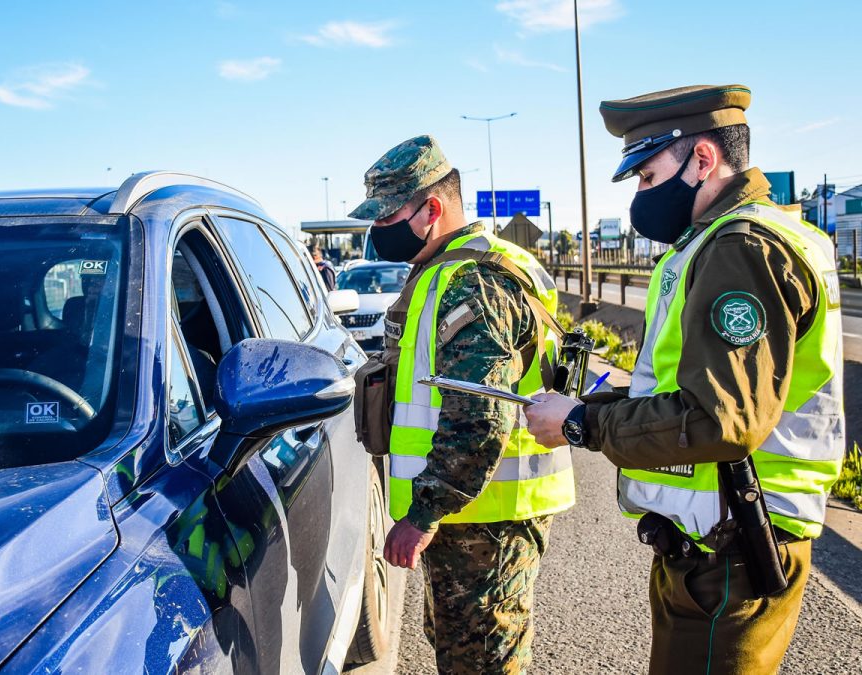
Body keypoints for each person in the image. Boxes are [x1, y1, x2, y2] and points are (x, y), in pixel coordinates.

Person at [524, 85, 844, 674]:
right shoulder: (727, 240)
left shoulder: (740, 248)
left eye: (647, 177)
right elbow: (691, 391)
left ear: (702, 160)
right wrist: (600, 406)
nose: (641, 197)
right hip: (720, 544)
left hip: (735, 550)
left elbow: (721, 418)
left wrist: (580, 423)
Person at [350, 135, 574, 673]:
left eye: (387, 219)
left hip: (485, 516)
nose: (377, 233)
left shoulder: (473, 279)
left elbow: (479, 414)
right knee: (461, 646)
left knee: (481, 660)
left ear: (432, 209)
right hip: (473, 511)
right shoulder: (447, 270)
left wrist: (424, 513)